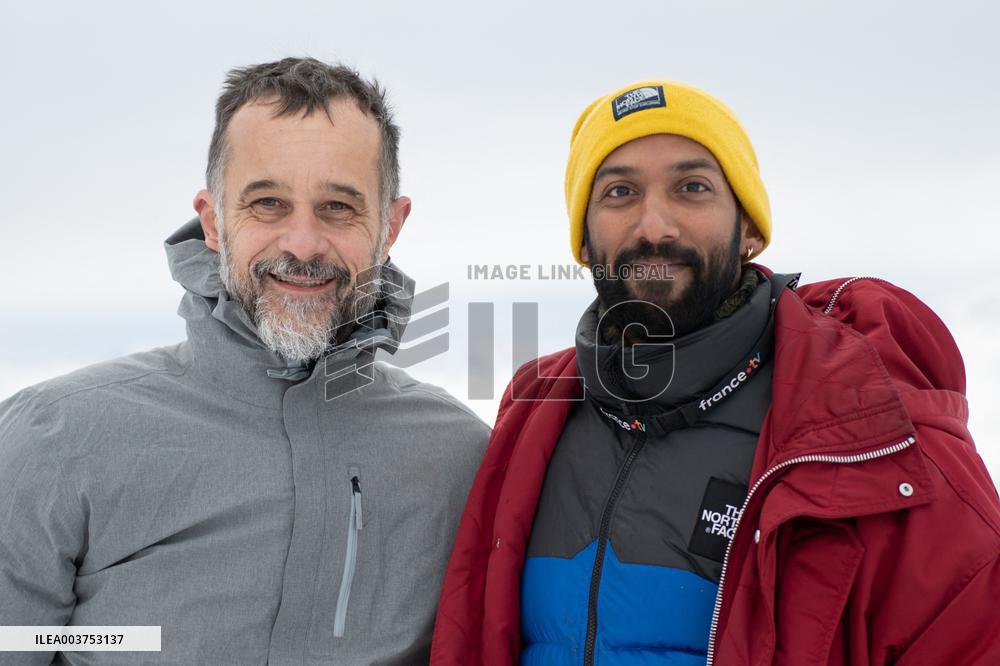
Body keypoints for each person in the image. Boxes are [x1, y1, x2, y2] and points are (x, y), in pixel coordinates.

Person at [431, 80, 1000, 665]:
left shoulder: (872, 439)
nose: (654, 226)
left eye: (692, 187)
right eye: (620, 192)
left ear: (749, 228)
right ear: (582, 238)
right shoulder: (535, 414)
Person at [0, 57, 489, 665]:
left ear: (390, 225)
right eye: (267, 204)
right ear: (213, 220)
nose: (303, 243)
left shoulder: (459, 458)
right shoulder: (55, 438)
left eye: (339, 207)